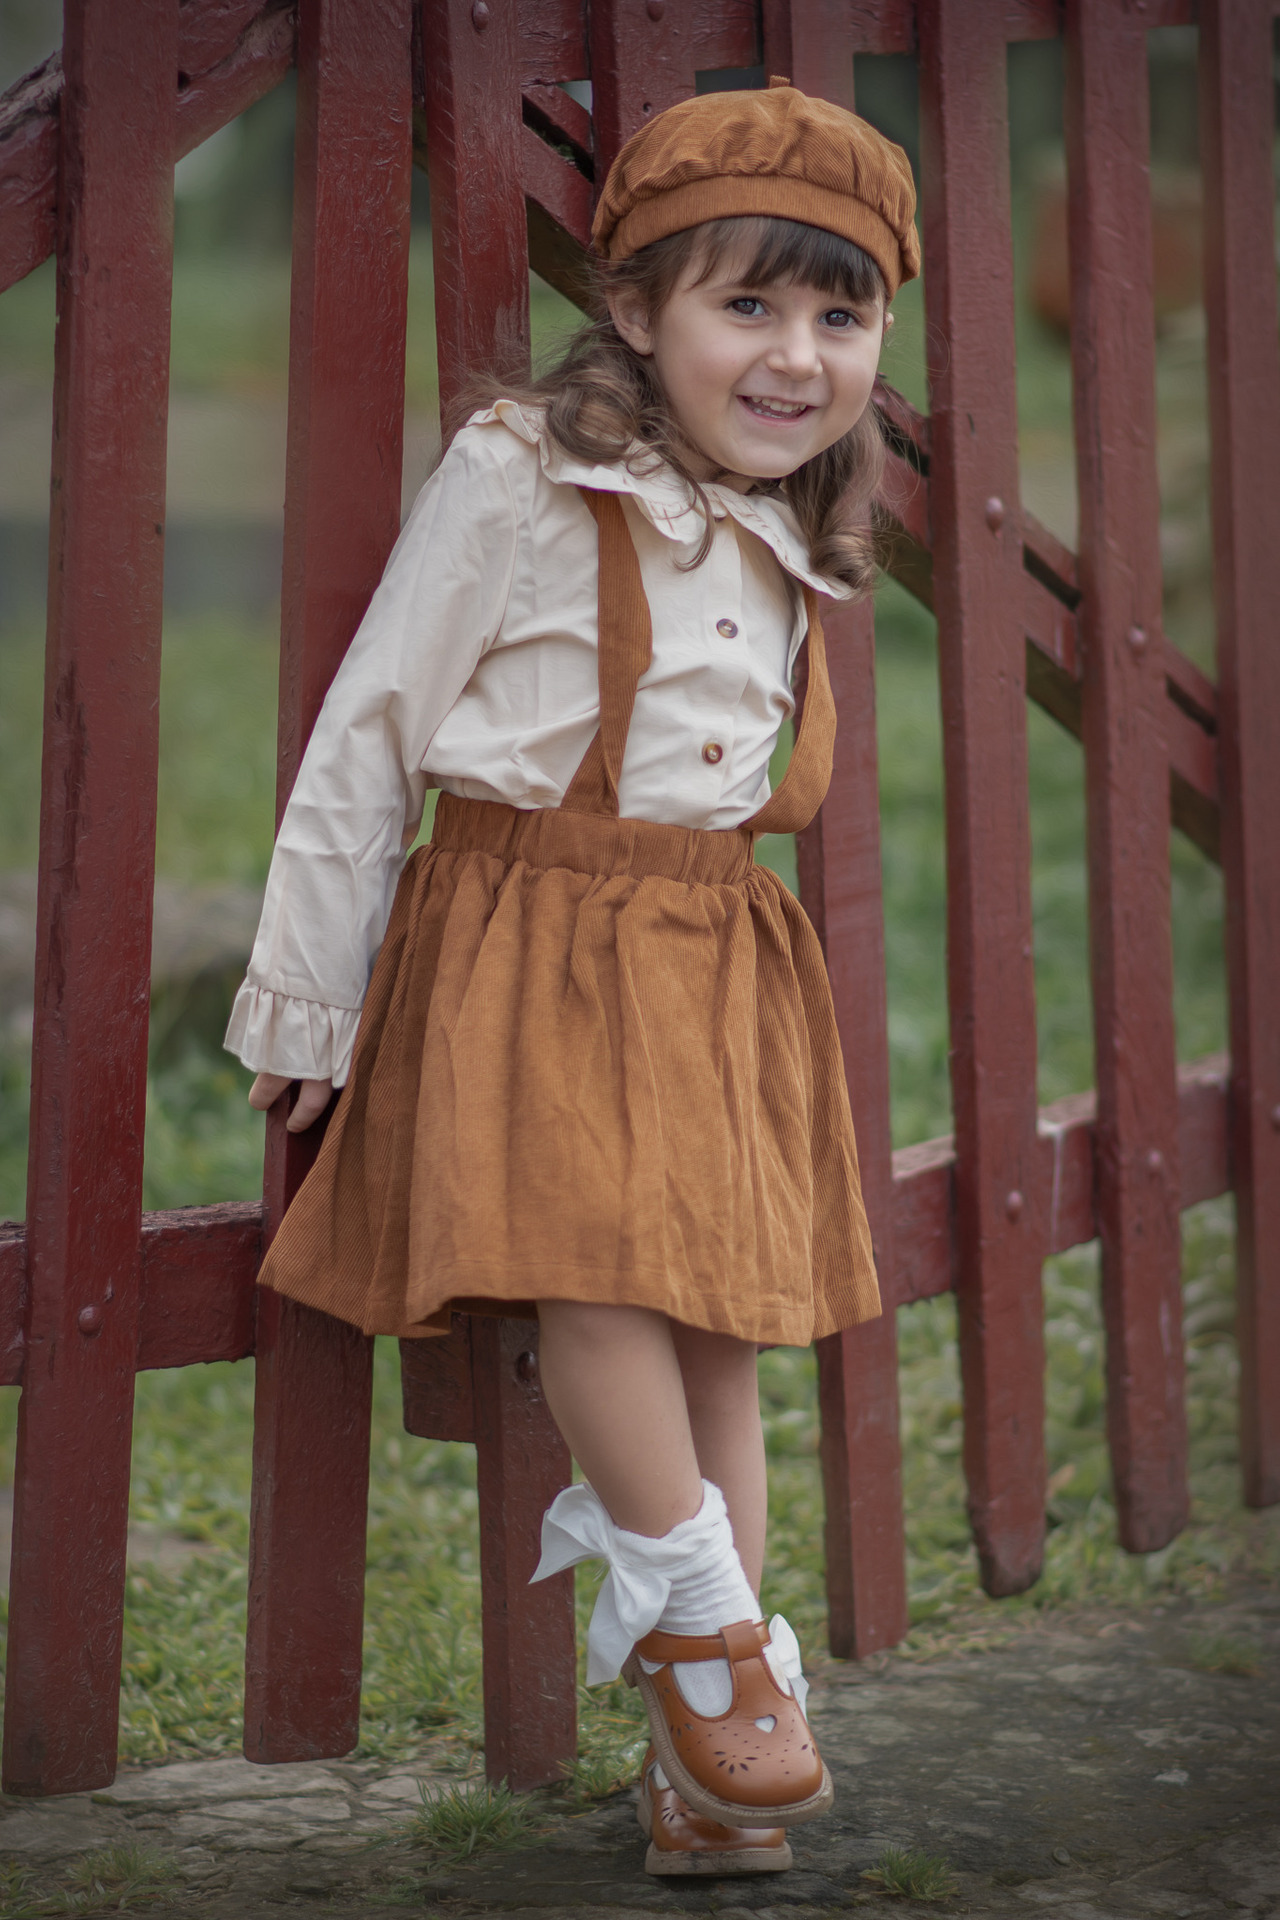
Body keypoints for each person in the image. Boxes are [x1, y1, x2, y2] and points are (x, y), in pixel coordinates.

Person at [226, 78, 918, 1878]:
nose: (794, 356)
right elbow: (373, 725)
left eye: (837, 315)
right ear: (634, 311)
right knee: (599, 1280)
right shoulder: (528, 474)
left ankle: (702, 1765)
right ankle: (713, 1643)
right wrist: (307, 992)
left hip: (711, 948)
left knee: (717, 1326)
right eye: (745, 305)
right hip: (538, 936)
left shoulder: (798, 515)